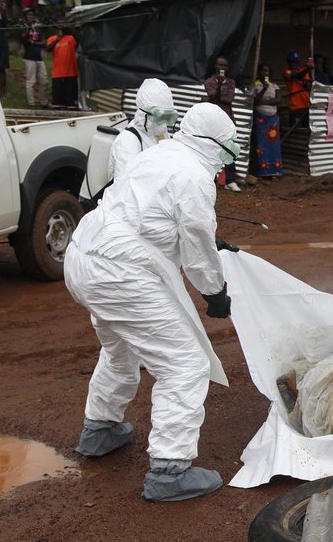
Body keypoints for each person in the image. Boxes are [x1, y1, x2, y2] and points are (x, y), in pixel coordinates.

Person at [64, 102, 241, 503]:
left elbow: (150, 214)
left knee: (121, 348)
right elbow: (194, 240)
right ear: (214, 144)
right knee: (184, 364)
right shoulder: (195, 175)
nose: (231, 154)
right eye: (229, 146)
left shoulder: (159, 153)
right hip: (121, 272)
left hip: (84, 255)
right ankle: (170, 470)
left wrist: (209, 244)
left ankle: (100, 429)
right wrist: (214, 292)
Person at [108, 78, 176, 180]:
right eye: (160, 116)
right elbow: (125, 187)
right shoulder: (127, 142)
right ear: (144, 113)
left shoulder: (160, 133)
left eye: (167, 117)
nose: (163, 123)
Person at [204, 55, 241, 193]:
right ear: (215, 66)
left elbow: (229, 99)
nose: (222, 68)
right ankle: (210, 179)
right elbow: (213, 98)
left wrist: (218, 92)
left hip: (227, 119)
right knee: (211, 148)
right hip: (213, 120)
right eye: (220, 65)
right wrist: (219, 86)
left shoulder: (231, 82)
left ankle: (230, 181)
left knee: (229, 149)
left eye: (225, 66)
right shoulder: (209, 81)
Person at [252, 63, 282, 178]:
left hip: (273, 119)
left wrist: (265, 102)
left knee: (274, 144)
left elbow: (279, 99)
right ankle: (262, 171)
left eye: (267, 71)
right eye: (263, 71)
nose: (265, 73)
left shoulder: (274, 85)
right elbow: (255, 101)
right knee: (261, 144)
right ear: (259, 72)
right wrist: (264, 89)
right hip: (260, 118)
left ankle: (275, 171)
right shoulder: (255, 85)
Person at [46, 24, 79, 109]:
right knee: (57, 103)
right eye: (59, 28)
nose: (61, 30)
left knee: (71, 104)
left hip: (70, 73)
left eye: (63, 28)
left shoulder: (70, 38)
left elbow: (77, 42)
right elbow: (48, 48)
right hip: (57, 73)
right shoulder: (52, 38)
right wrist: (57, 40)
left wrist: (72, 29)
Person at [20, 8, 48, 108]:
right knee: (31, 81)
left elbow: (44, 43)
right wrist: (29, 29)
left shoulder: (38, 28)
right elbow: (24, 40)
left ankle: (43, 102)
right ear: (25, 17)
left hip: (39, 57)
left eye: (32, 15)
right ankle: (31, 103)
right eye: (28, 15)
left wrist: (34, 43)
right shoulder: (23, 27)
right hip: (29, 57)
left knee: (44, 81)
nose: (31, 16)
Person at [283, 51, 313, 130]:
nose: (294, 64)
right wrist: (308, 69)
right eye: (292, 61)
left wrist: (307, 85)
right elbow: (296, 76)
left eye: (296, 62)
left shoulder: (303, 70)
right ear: (288, 62)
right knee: (293, 130)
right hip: (295, 106)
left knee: (306, 129)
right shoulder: (286, 71)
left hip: (306, 104)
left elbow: (309, 85)